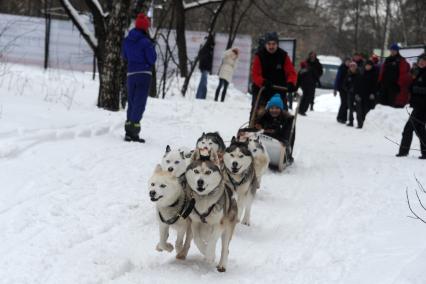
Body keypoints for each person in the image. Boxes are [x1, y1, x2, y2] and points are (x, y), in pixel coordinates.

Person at [121, 12, 157, 143]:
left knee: (131, 102)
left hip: (131, 74)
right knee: (139, 103)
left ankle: (128, 131)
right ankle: (133, 132)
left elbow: (124, 56)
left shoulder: (128, 40)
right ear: (145, 28)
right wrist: (152, 46)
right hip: (144, 75)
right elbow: (152, 59)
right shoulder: (146, 42)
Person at [250, 32, 297, 120]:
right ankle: (253, 128)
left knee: (284, 114)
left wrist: (291, 83)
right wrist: (263, 82)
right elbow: (255, 75)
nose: (271, 46)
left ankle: (285, 130)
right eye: (269, 44)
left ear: (277, 44)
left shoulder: (283, 56)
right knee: (258, 112)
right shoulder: (259, 56)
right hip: (262, 89)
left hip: (279, 89)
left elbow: (291, 72)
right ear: (265, 44)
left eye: (273, 44)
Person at [396, 53, 426, 159]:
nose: (421, 62)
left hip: (422, 107)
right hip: (418, 106)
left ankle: (403, 151)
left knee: (409, 128)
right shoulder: (418, 73)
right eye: (420, 60)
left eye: (424, 61)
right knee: (420, 130)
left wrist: (416, 89)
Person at [255, 94, 295, 162]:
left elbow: (286, 134)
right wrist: (259, 128)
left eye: (277, 108)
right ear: (269, 109)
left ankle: (287, 156)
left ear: (281, 109)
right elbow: (257, 129)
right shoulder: (264, 116)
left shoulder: (286, 119)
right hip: (265, 140)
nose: (274, 110)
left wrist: (275, 133)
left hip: (279, 140)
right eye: (272, 108)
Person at [378, 43, 412, 107]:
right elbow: (382, 72)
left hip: (394, 86)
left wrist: (399, 85)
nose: (392, 52)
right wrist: (379, 82)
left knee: (392, 104)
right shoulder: (387, 59)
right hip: (384, 85)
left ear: (397, 51)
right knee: (382, 104)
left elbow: (403, 74)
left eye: (394, 50)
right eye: (391, 50)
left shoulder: (401, 60)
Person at [354, 60, 379, 128]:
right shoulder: (361, 73)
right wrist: (356, 94)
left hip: (369, 96)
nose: (367, 67)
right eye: (366, 65)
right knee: (359, 111)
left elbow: (375, 85)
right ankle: (360, 124)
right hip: (360, 95)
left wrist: (373, 93)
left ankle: (365, 124)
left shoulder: (374, 74)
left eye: (369, 65)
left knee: (366, 110)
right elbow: (357, 84)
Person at [196, 34, 215, 99]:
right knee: (203, 82)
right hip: (205, 66)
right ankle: (200, 96)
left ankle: (201, 96)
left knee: (204, 82)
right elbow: (205, 57)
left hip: (204, 66)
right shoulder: (207, 47)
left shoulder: (204, 46)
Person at [343, 62, 362, 127]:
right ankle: (351, 122)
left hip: (357, 94)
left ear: (356, 67)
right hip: (350, 94)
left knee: (358, 109)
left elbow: (362, 85)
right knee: (350, 108)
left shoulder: (359, 75)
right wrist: (348, 89)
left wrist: (359, 93)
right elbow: (344, 85)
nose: (352, 68)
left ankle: (360, 123)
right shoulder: (348, 75)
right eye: (351, 67)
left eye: (354, 66)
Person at [334, 57, 351, 123]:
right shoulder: (341, 68)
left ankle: (344, 118)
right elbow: (337, 79)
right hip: (341, 89)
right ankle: (340, 117)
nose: (348, 63)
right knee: (344, 103)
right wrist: (335, 89)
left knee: (346, 104)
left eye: (349, 62)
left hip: (348, 89)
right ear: (345, 62)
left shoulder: (350, 69)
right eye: (347, 62)